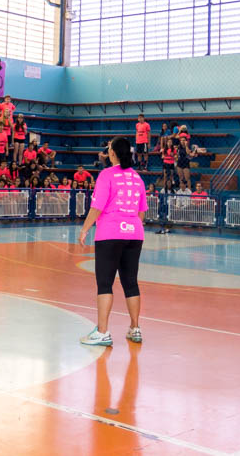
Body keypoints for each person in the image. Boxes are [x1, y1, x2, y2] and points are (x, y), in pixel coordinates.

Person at [78, 137, 146, 347]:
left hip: (110, 233)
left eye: (109, 149)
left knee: (105, 283)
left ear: (113, 153)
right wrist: (131, 226)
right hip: (134, 234)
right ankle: (135, 328)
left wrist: (85, 229)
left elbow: (97, 207)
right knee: (131, 282)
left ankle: (102, 332)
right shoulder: (137, 178)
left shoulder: (106, 175)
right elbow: (141, 212)